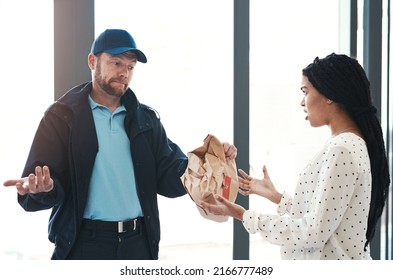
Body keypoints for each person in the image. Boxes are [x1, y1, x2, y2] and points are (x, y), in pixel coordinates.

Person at [3, 29, 237, 260]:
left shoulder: (145, 119)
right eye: (116, 63)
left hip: (138, 244)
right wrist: (40, 189)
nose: (124, 72)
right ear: (92, 61)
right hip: (83, 245)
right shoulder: (62, 116)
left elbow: (171, 174)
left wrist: (212, 159)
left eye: (131, 66)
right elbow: (44, 181)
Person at [200, 53, 390, 260]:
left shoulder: (342, 149)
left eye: (305, 91)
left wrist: (242, 214)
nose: (302, 102)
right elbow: (324, 219)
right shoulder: (349, 144)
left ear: (329, 95)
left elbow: (313, 232)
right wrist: (276, 197)